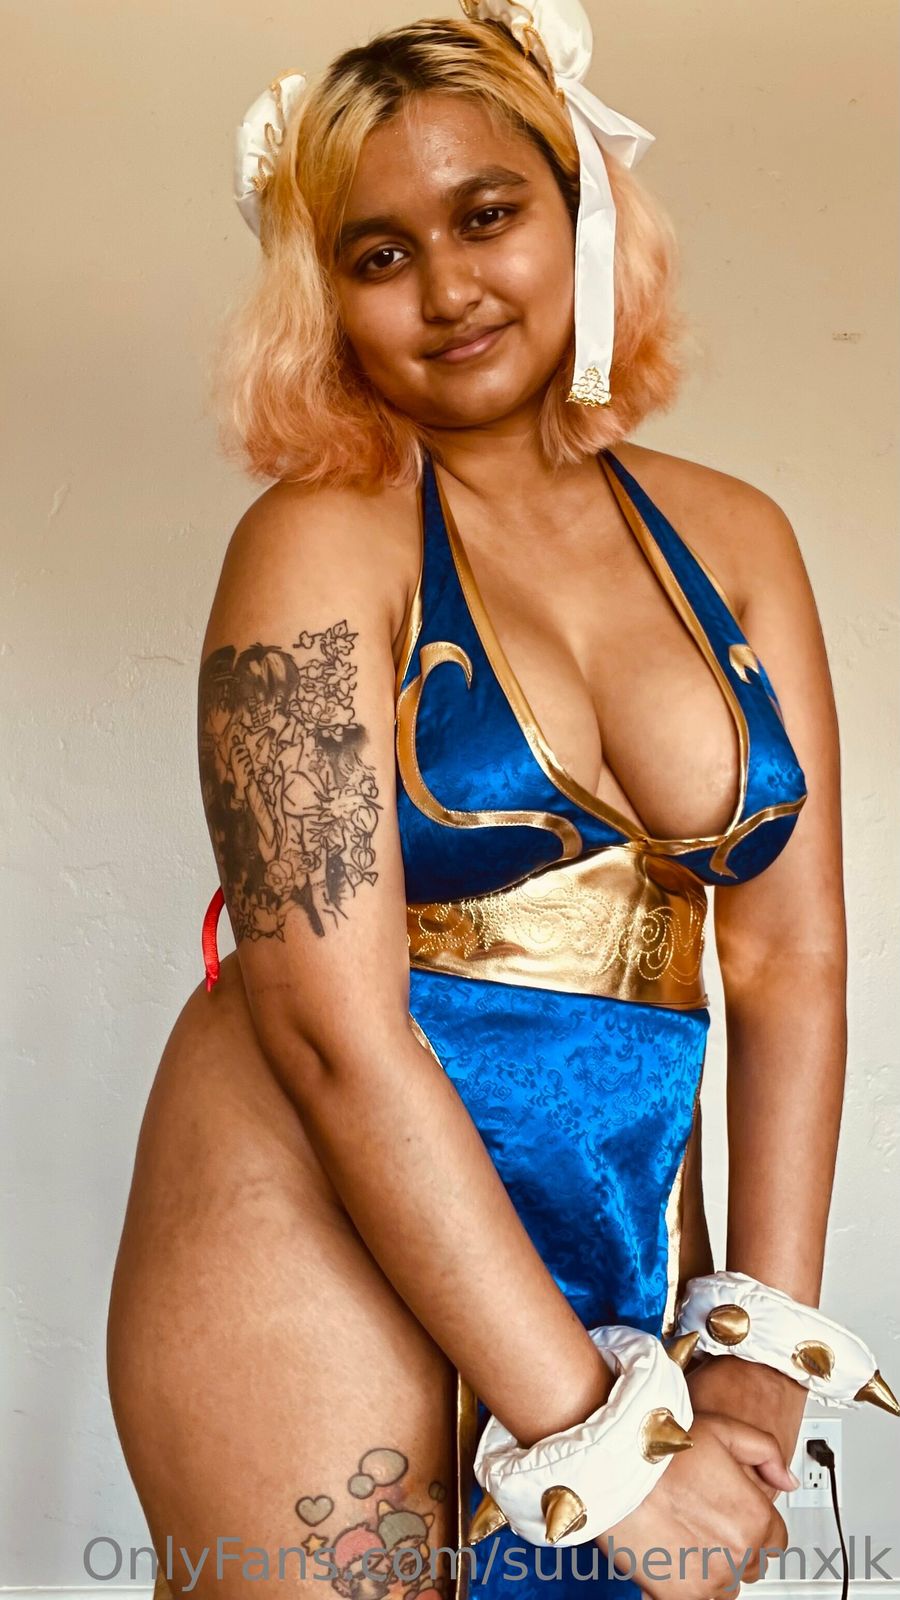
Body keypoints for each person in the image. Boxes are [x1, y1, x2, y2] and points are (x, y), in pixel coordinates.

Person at [106, 6, 896, 1600]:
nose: (449, 287)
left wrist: (759, 1353)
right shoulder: (313, 544)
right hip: (314, 1186)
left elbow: (785, 959)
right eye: (378, 252)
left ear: (581, 210)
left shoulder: (739, 538)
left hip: (613, 1188)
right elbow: (330, 1029)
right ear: (324, 295)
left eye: (487, 214)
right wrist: (606, 1452)